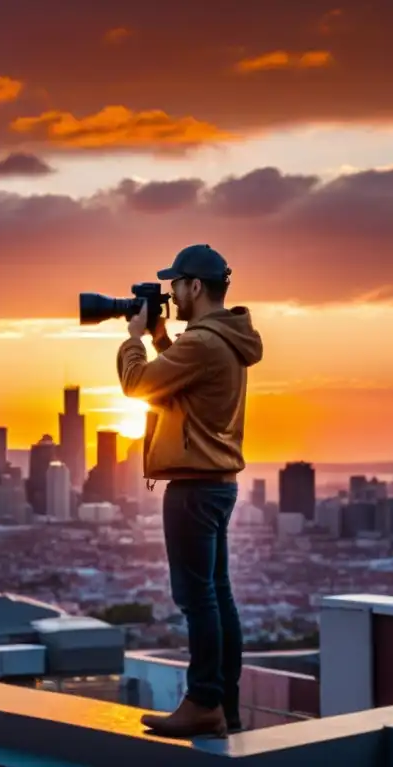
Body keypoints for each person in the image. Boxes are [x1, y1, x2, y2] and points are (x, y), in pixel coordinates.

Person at [116, 244, 263, 739]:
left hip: (194, 488)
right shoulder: (224, 339)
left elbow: (138, 384)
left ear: (195, 287)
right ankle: (225, 705)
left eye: (175, 285)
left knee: (196, 598)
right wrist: (161, 337)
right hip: (218, 485)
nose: (171, 294)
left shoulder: (202, 342)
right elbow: (184, 380)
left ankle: (203, 702)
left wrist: (134, 339)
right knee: (218, 597)